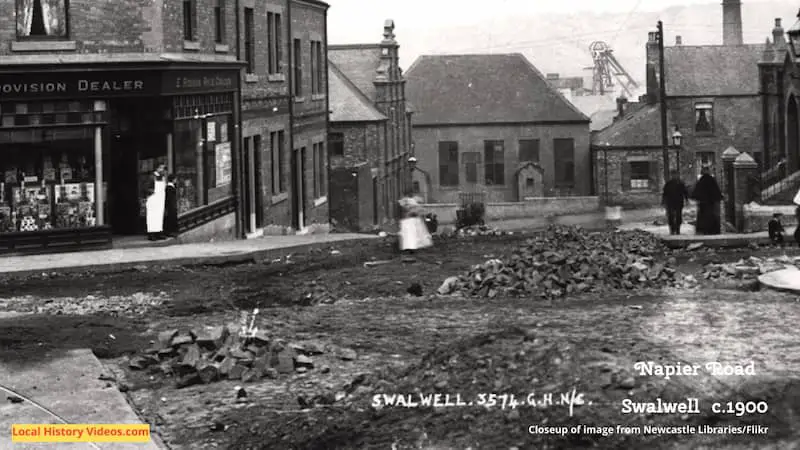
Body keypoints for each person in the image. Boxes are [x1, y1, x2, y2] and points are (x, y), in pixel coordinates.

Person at [690, 165, 723, 235]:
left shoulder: (702, 180)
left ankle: (704, 230)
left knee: (704, 216)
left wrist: (697, 199)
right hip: (709, 203)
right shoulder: (710, 179)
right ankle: (711, 230)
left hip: (703, 203)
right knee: (710, 216)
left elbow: (696, 191)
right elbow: (715, 191)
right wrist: (718, 198)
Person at [397, 189, 432, 255]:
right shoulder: (407, 201)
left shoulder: (412, 201)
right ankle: (410, 247)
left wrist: (415, 211)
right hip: (408, 220)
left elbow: (417, 209)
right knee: (410, 235)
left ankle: (412, 247)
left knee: (412, 235)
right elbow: (406, 209)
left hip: (411, 220)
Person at [662, 170, 689, 235]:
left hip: (678, 202)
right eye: (673, 175)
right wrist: (663, 201)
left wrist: (686, 200)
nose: (674, 176)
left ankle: (677, 229)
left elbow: (685, 192)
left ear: (677, 175)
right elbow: (665, 193)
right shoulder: (668, 184)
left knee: (678, 216)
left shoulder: (680, 183)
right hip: (670, 202)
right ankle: (672, 229)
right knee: (671, 216)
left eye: (675, 175)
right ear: (671, 176)